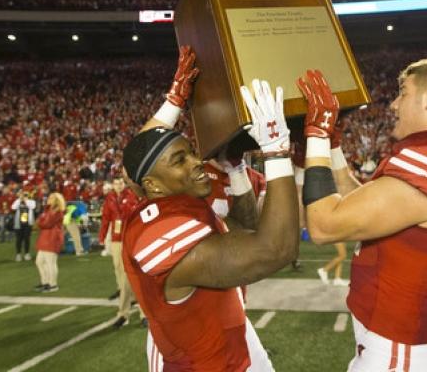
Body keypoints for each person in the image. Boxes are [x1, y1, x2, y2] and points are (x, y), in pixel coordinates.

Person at [297, 59, 427, 371]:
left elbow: (324, 225)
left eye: (403, 92)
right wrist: (333, 147)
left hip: (401, 350)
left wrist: (317, 134)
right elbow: (368, 204)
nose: (394, 104)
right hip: (409, 343)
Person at [121, 46, 299, 371]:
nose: (196, 162)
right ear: (152, 185)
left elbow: (246, 230)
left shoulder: (183, 203)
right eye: (180, 160)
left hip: (228, 327)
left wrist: (237, 170)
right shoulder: (155, 231)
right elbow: (275, 250)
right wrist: (276, 150)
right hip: (196, 359)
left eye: (192, 152)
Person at [99, 177, 142, 328]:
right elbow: (106, 218)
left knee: (136, 275)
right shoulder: (110, 198)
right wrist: (102, 236)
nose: (118, 186)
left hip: (131, 237)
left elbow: (135, 215)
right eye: (116, 183)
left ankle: (142, 313)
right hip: (117, 238)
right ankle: (125, 312)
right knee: (121, 271)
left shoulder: (131, 196)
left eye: (121, 183)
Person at [34, 192, 65, 293]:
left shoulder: (57, 211)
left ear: (56, 200)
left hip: (52, 238)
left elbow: (46, 223)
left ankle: (53, 284)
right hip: (45, 237)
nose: (48, 199)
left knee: (50, 263)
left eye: (51, 198)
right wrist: (40, 221)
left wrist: (40, 222)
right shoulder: (48, 210)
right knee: (39, 261)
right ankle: (45, 282)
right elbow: (41, 221)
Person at [11, 190, 37, 261]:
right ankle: (18, 254)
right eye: (23, 195)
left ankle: (27, 254)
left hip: (28, 223)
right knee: (18, 239)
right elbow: (13, 207)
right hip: (19, 223)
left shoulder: (31, 201)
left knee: (27, 239)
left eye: (25, 195)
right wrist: (20, 199)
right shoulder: (18, 201)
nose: (24, 196)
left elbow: (32, 207)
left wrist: (25, 200)